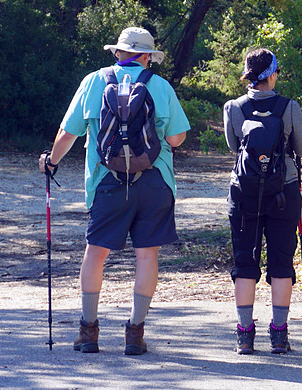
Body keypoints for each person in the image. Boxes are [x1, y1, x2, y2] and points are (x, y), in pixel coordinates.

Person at [38, 27, 190, 354]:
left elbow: (69, 133)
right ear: (148, 57)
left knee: (96, 252)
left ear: (118, 53)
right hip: (155, 181)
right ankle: (135, 333)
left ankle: (88, 332)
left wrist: (51, 161)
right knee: (147, 254)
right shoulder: (160, 86)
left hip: (107, 181)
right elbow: (177, 139)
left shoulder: (94, 81)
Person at [223, 48, 302, 354]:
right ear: (271, 74)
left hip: (244, 192)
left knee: (244, 262)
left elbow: (234, 146)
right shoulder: (289, 107)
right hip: (283, 192)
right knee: (281, 263)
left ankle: (245, 334)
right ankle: (278, 334)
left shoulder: (233, 107)